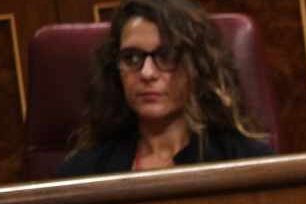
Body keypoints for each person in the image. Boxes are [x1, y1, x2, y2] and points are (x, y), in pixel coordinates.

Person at [57, 0, 273, 177]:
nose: (147, 73)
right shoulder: (83, 172)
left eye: (167, 56)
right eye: (131, 58)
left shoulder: (245, 162)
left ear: (196, 66)